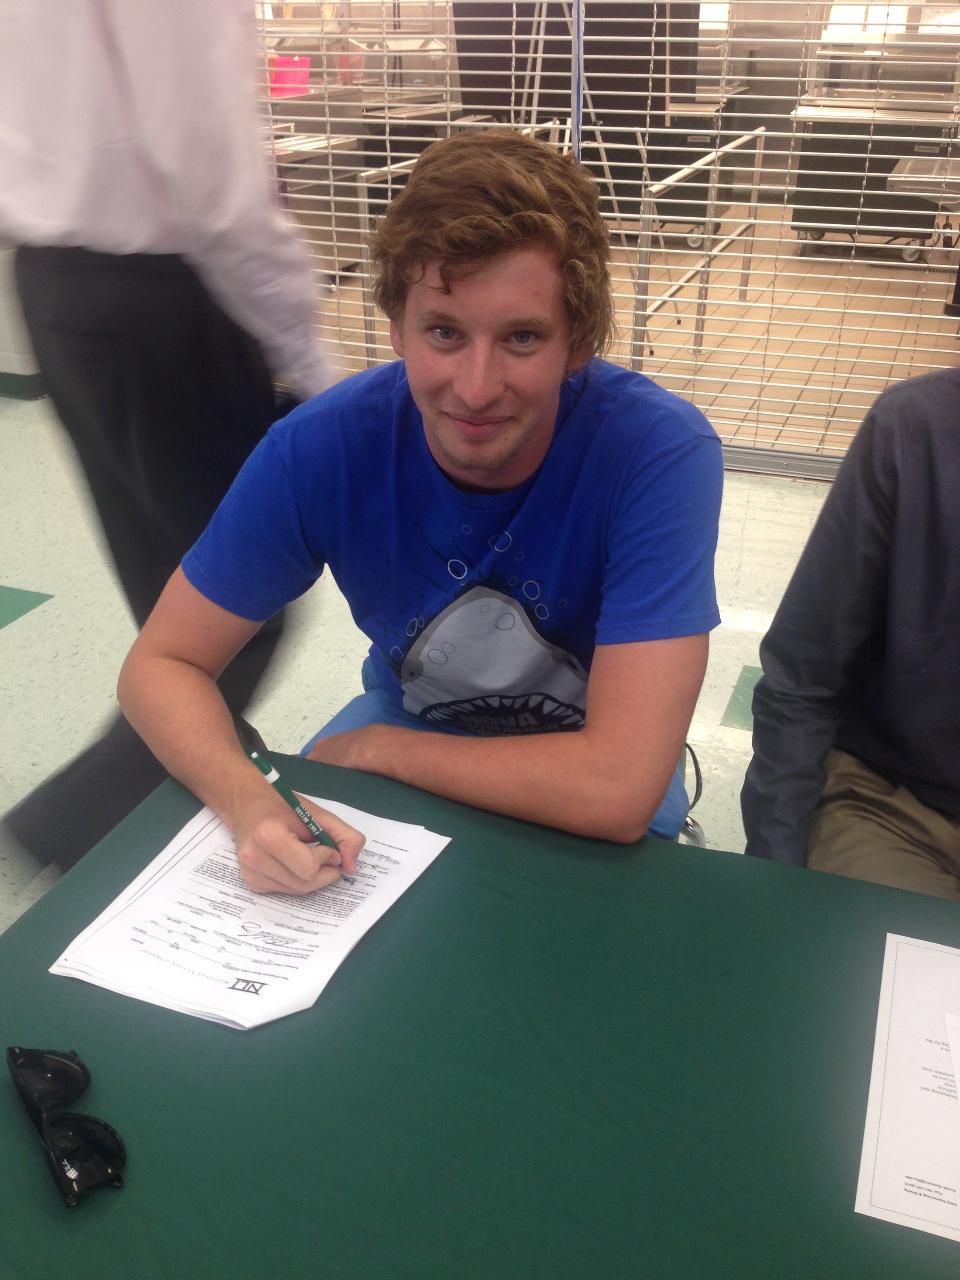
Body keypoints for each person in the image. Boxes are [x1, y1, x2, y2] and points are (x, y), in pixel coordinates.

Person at [118, 129, 723, 895]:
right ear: (396, 327)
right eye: (444, 332)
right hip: (415, 719)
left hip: (582, 750)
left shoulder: (656, 453)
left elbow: (618, 787)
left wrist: (381, 751)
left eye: (522, 337)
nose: (475, 388)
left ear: (578, 343)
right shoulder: (320, 447)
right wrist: (249, 803)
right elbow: (160, 667)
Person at [0, 2, 334, 868]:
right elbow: (208, 166)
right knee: (242, 602)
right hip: (158, 293)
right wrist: (309, 357)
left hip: (54, 284)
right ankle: (73, 823)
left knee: (165, 578)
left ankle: (198, 757)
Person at [741, 368, 960, 900]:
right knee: (866, 945)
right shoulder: (915, 428)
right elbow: (803, 676)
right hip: (900, 807)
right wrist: (775, 879)